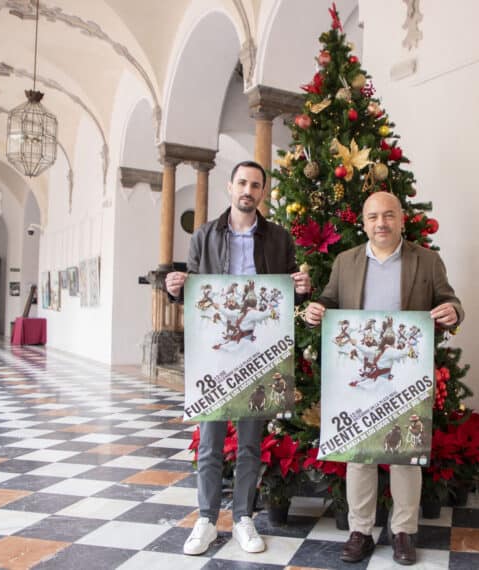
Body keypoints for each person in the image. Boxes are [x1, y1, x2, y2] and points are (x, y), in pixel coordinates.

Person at [303, 191, 463, 566]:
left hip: (406, 374)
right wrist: (318, 309)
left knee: (406, 455)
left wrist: (454, 312)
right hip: (358, 375)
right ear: (364, 222)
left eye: (389, 215)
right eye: (373, 217)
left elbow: (450, 299)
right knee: (360, 454)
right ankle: (360, 530)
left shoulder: (427, 261)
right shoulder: (346, 261)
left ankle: (403, 531)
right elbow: (329, 299)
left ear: (402, 219)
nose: (381, 223)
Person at [165, 160, 311, 557]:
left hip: (260, 352)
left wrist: (301, 289)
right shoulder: (204, 236)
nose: (249, 190)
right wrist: (176, 288)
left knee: (250, 443)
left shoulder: (279, 239)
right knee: (210, 443)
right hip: (214, 353)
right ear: (230, 187)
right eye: (242, 183)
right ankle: (207, 519)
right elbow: (194, 290)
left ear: (263, 192)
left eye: (256, 185)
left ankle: (244, 516)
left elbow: (287, 297)